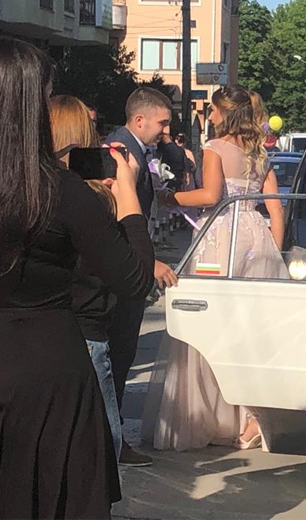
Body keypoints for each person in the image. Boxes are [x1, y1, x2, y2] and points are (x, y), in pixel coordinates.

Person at [0, 36, 155, 518]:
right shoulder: (62, 191)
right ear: (33, 104)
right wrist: (128, 201)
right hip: (53, 372)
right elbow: (134, 280)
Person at [145, 86, 287, 451]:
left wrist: (167, 198)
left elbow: (210, 195)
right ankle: (254, 417)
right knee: (251, 329)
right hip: (256, 236)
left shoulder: (216, 148)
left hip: (222, 235)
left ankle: (209, 416)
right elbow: (275, 209)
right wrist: (274, 252)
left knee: (208, 326)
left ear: (225, 113)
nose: (209, 116)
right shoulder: (259, 152)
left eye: (213, 110)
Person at [104, 86, 174, 466]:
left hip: (129, 264)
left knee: (122, 354)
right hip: (123, 268)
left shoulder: (135, 150)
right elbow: (116, 218)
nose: (165, 131)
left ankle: (110, 438)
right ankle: (111, 440)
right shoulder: (120, 152)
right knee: (117, 354)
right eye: (162, 123)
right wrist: (147, 263)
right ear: (140, 119)